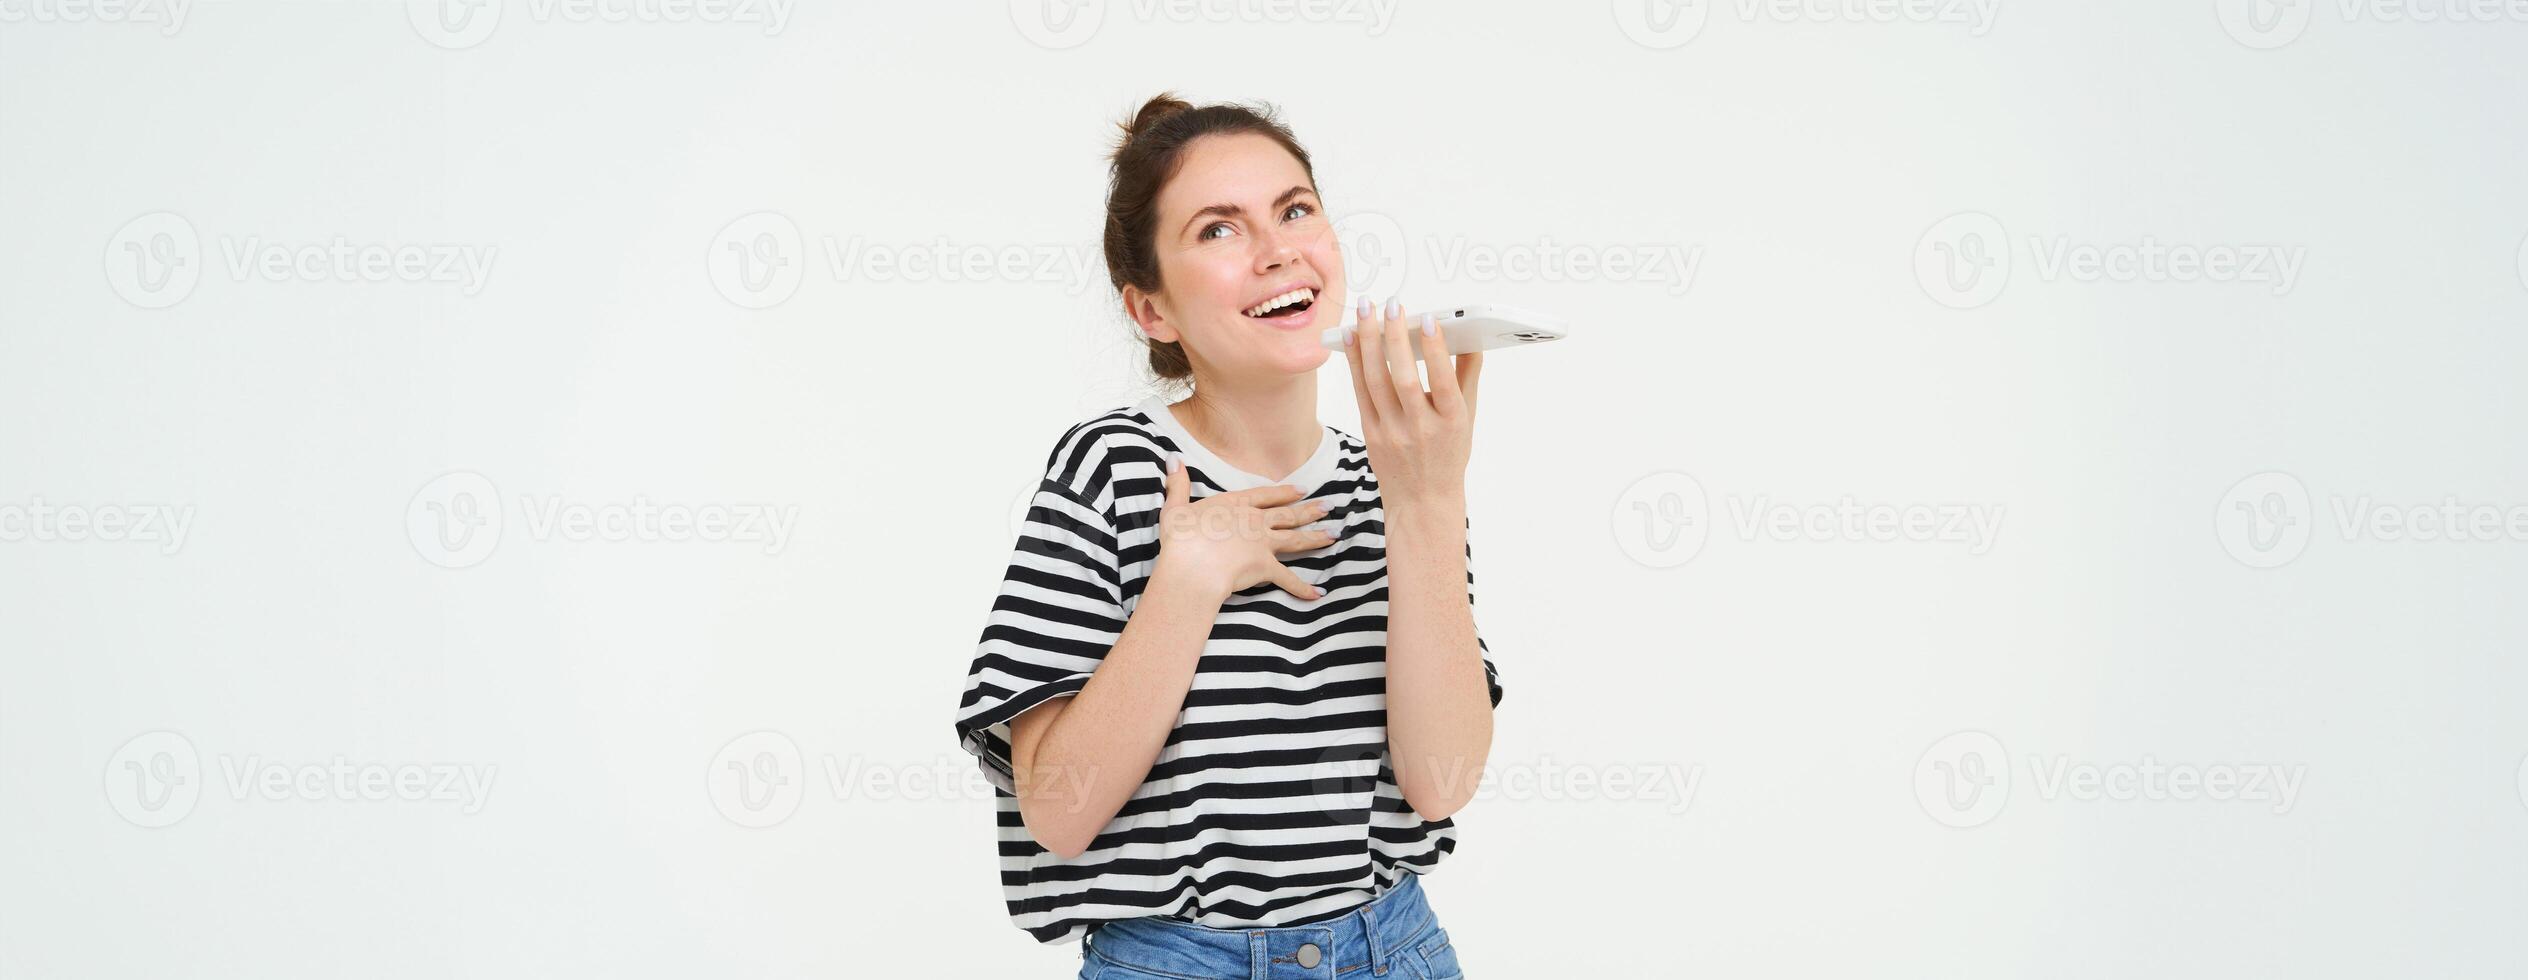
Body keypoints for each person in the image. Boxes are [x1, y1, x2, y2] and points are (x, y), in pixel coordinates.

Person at [954, 92, 1500, 979]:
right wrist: (1188, 580)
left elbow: (1440, 785)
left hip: (1395, 948)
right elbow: (1058, 813)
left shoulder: (1397, 474)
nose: (1279, 248)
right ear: (1151, 312)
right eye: (1219, 230)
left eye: (1294, 210)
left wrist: (1427, 504)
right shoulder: (1113, 470)